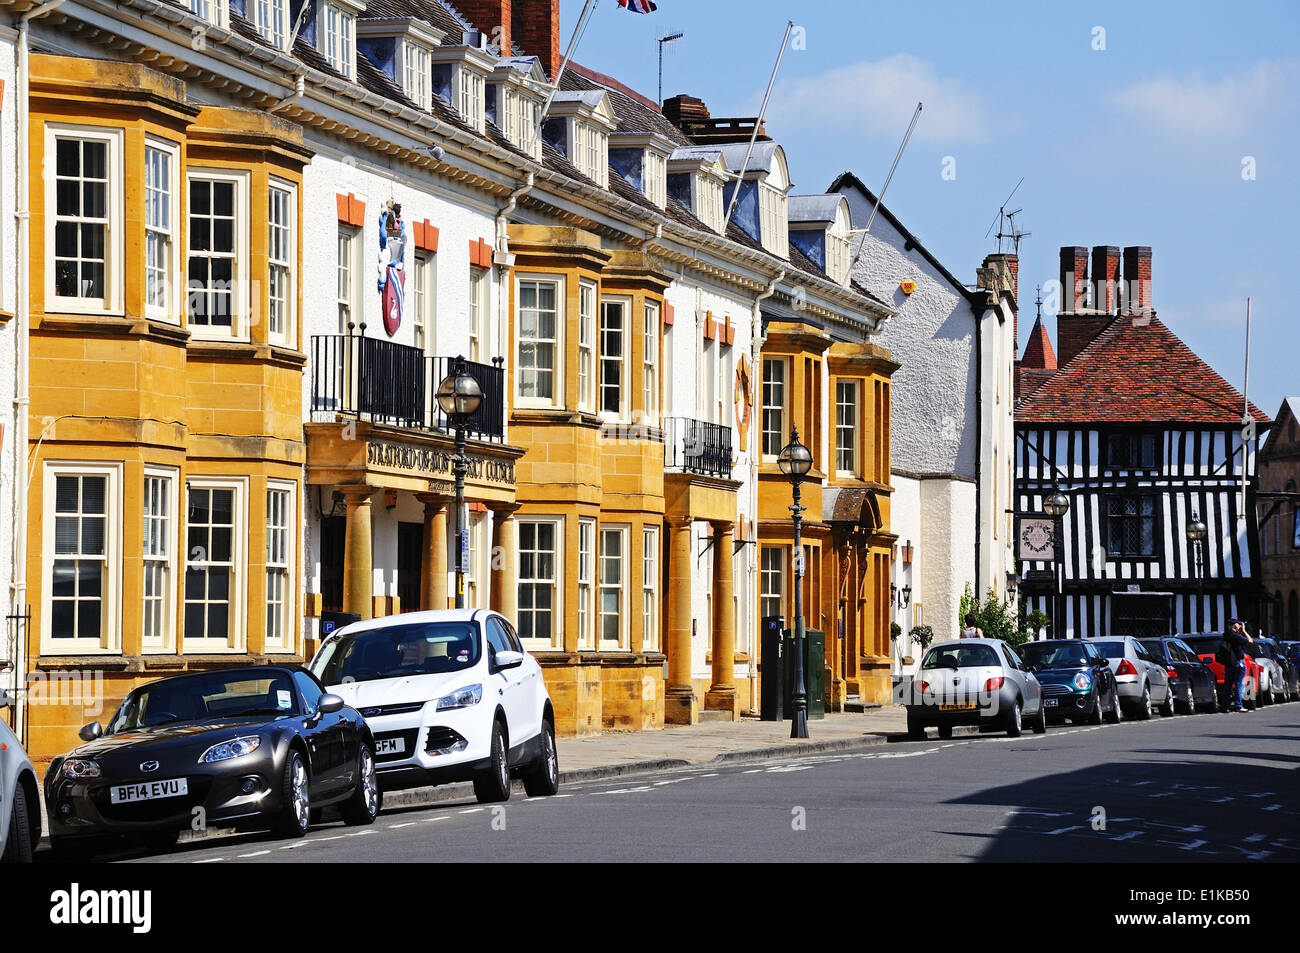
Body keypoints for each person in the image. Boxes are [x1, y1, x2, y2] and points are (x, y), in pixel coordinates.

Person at [1223, 618, 1254, 712]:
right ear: (1234, 626)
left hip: (1228, 663)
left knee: (1227, 685)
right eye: (1238, 625)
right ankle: (1238, 705)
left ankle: (1225, 706)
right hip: (1238, 662)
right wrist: (1244, 630)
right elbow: (1250, 641)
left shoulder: (1225, 635)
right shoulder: (1236, 636)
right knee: (1239, 684)